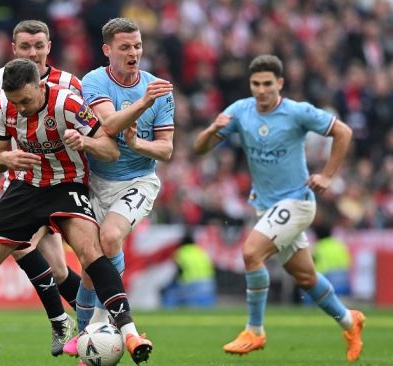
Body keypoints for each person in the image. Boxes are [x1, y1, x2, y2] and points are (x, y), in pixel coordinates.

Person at [0, 58, 153, 365]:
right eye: (16, 102)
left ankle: (130, 333)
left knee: (90, 253)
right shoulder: (3, 103)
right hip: (25, 188)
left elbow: (111, 150)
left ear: (40, 86)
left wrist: (86, 142)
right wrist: (6, 158)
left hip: (67, 186)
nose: (21, 108)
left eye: (26, 100)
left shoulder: (68, 103)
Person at [193, 54, 364, 362]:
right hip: (266, 206)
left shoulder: (297, 112)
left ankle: (254, 330)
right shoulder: (240, 111)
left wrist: (327, 175)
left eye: (267, 84)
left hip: (297, 202)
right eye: (256, 83)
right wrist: (210, 131)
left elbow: (344, 132)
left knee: (251, 253)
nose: (261, 90)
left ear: (280, 84)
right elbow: (200, 149)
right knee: (306, 278)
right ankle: (350, 322)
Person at [0, 20, 82, 357]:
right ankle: (84, 323)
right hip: (21, 183)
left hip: (61, 183)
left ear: (49, 46)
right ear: (14, 49)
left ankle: (70, 321)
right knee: (55, 270)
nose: (33, 52)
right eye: (26, 47)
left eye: (39, 46)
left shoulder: (70, 85)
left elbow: (94, 131)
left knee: (22, 248)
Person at [63, 17, 174, 360]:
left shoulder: (157, 87)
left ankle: (110, 327)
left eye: (138, 46)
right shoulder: (95, 80)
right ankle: (87, 343)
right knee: (88, 266)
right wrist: (142, 105)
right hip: (95, 181)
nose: (134, 53)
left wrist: (139, 146)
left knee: (110, 238)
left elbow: (166, 149)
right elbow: (109, 124)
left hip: (138, 180)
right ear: (107, 50)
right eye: (125, 47)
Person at [161, 230, 216, 308]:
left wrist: (171, 283)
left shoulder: (181, 252)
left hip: (192, 284)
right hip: (209, 284)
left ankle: (168, 316)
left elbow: (179, 271)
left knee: (170, 294)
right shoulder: (201, 251)